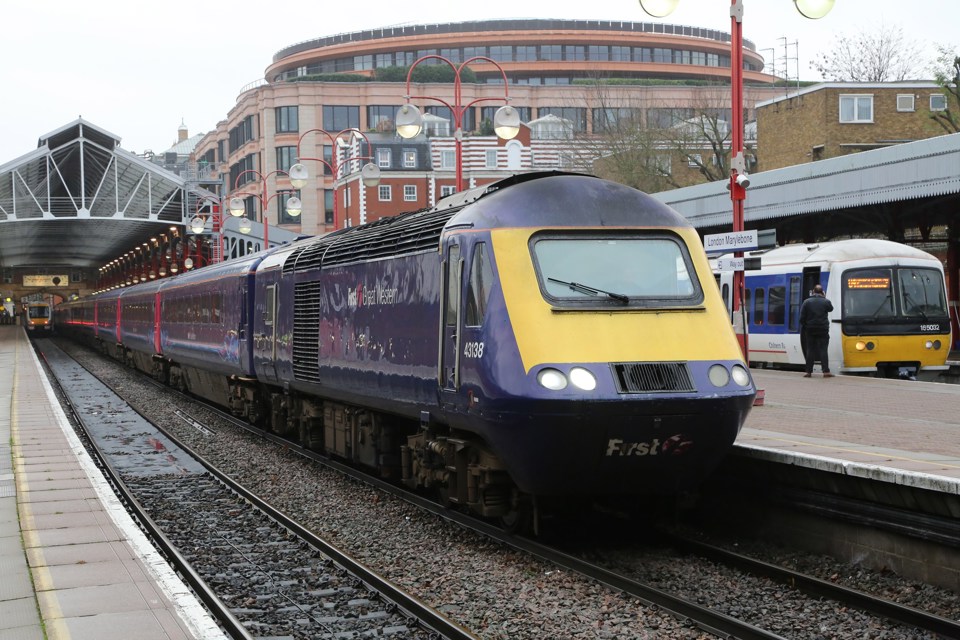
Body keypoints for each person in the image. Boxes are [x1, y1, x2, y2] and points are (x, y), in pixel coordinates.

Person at [799, 284, 834, 378]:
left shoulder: (806, 302)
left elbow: (801, 318)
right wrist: (824, 297)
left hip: (810, 329)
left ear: (813, 292)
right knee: (823, 349)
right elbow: (831, 309)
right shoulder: (826, 301)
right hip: (823, 329)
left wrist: (806, 326)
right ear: (822, 292)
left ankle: (808, 372)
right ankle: (826, 371)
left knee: (810, 350)